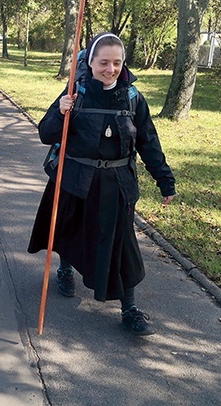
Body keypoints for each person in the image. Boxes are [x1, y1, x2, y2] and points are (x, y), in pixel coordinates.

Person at [28, 33, 176, 336]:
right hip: (75, 179)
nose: (110, 69)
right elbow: (46, 134)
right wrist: (60, 111)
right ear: (90, 62)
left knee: (122, 245)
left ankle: (130, 308)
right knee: (69, 230)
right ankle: (65, 270)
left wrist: (165, 179)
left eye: (117, 63)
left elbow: (148, 141)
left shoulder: (133, 98)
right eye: (104, 62)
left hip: (117, 183)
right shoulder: (74, 93)